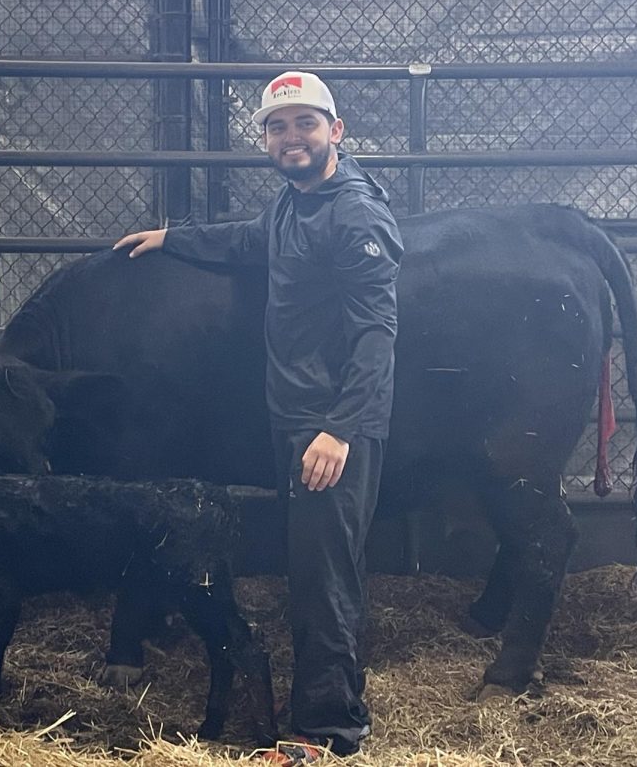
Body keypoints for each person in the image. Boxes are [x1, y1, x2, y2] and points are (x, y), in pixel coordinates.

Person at [114, 71, 403, 762]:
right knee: (316, 567)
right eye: (277, 127)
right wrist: (174, 237)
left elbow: (377, 335)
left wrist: (340, 430)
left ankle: (328, 734)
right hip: (299, 417)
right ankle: (331, 708)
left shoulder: (354, 215)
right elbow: (250, 240)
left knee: (321, 576)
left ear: (335, 131)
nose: (291, 138)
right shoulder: (295, 203)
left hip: (328, 427)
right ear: (265, 141)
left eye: (306, 123)